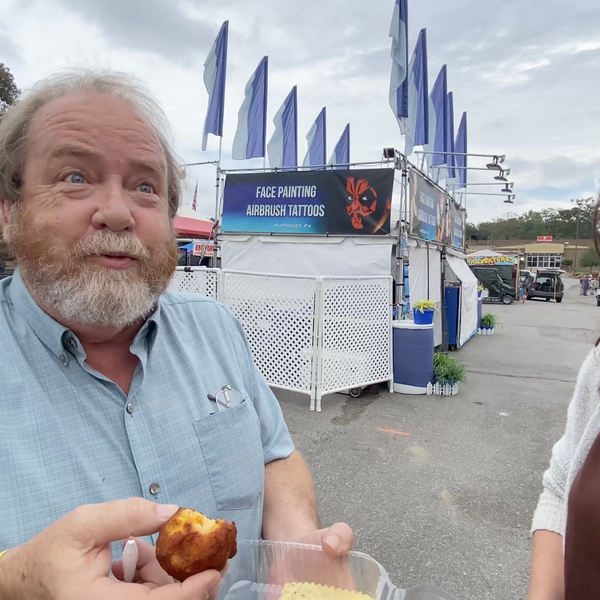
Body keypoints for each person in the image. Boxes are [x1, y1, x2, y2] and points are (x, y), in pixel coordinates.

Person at [0, 70, 353, 598]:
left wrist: (298, 545)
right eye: (75, 176)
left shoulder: (216, 329)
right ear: (8, 213)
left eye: (145, 187)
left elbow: (274, 456)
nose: (117, 212)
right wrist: (20, 579)